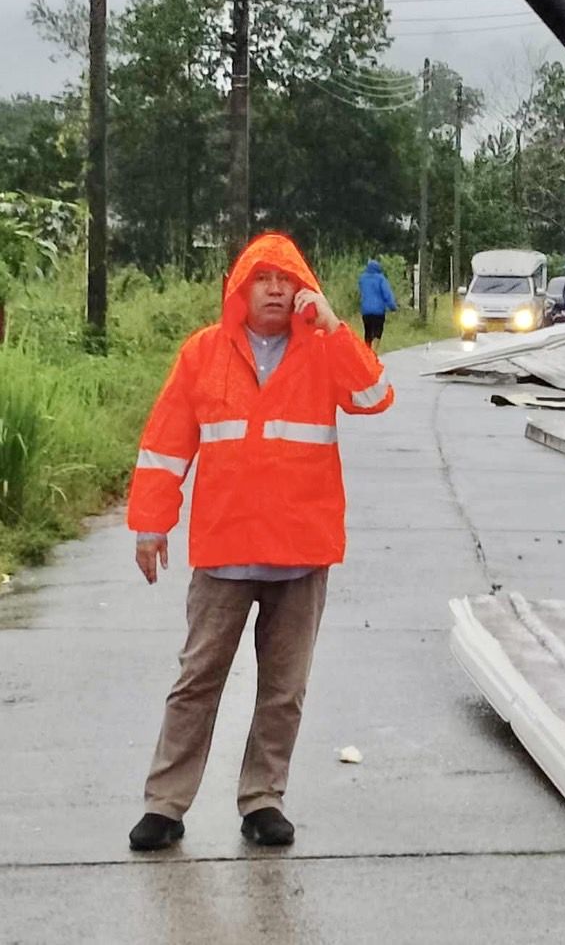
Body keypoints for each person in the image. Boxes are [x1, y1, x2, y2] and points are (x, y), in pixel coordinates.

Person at [125, 232, 394, 853]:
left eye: (286, 280)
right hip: (225, 548)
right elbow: (166, 442)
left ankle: (263, 799)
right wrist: (151, 523)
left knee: (283, 689)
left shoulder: (322, 348)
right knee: (197, 681)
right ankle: (165, 805)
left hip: (301, 552)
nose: (274, 290)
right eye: (262, 280)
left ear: (304, 290)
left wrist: (334, 329)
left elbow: (374, 397)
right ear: (239, 291)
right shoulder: (203, 353)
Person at [357, 257, 398, 351]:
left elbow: (361, 293)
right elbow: (387, 294)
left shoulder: (362, 279)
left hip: (366, 311)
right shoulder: (381, 279)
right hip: (378, 312)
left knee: (368, 333)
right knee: (377, 333)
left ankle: (367, 353)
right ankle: (373, 353)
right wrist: (393, 306)